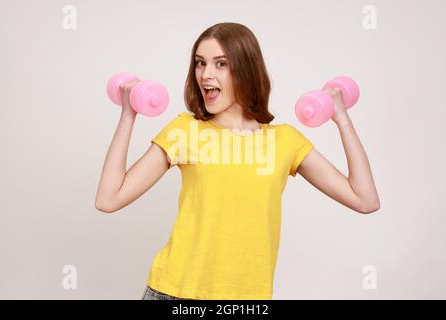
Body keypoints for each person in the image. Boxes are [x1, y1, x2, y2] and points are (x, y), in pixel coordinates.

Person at [95, 22, 380, 300]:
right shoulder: (185, 131)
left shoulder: (285, 141)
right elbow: (109, 199)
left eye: (221, 64)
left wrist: (341, 118)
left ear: (245, 71)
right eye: (200, 63)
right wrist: (128, 114)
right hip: (176, 294)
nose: (205, 74)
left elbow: (364, 200)